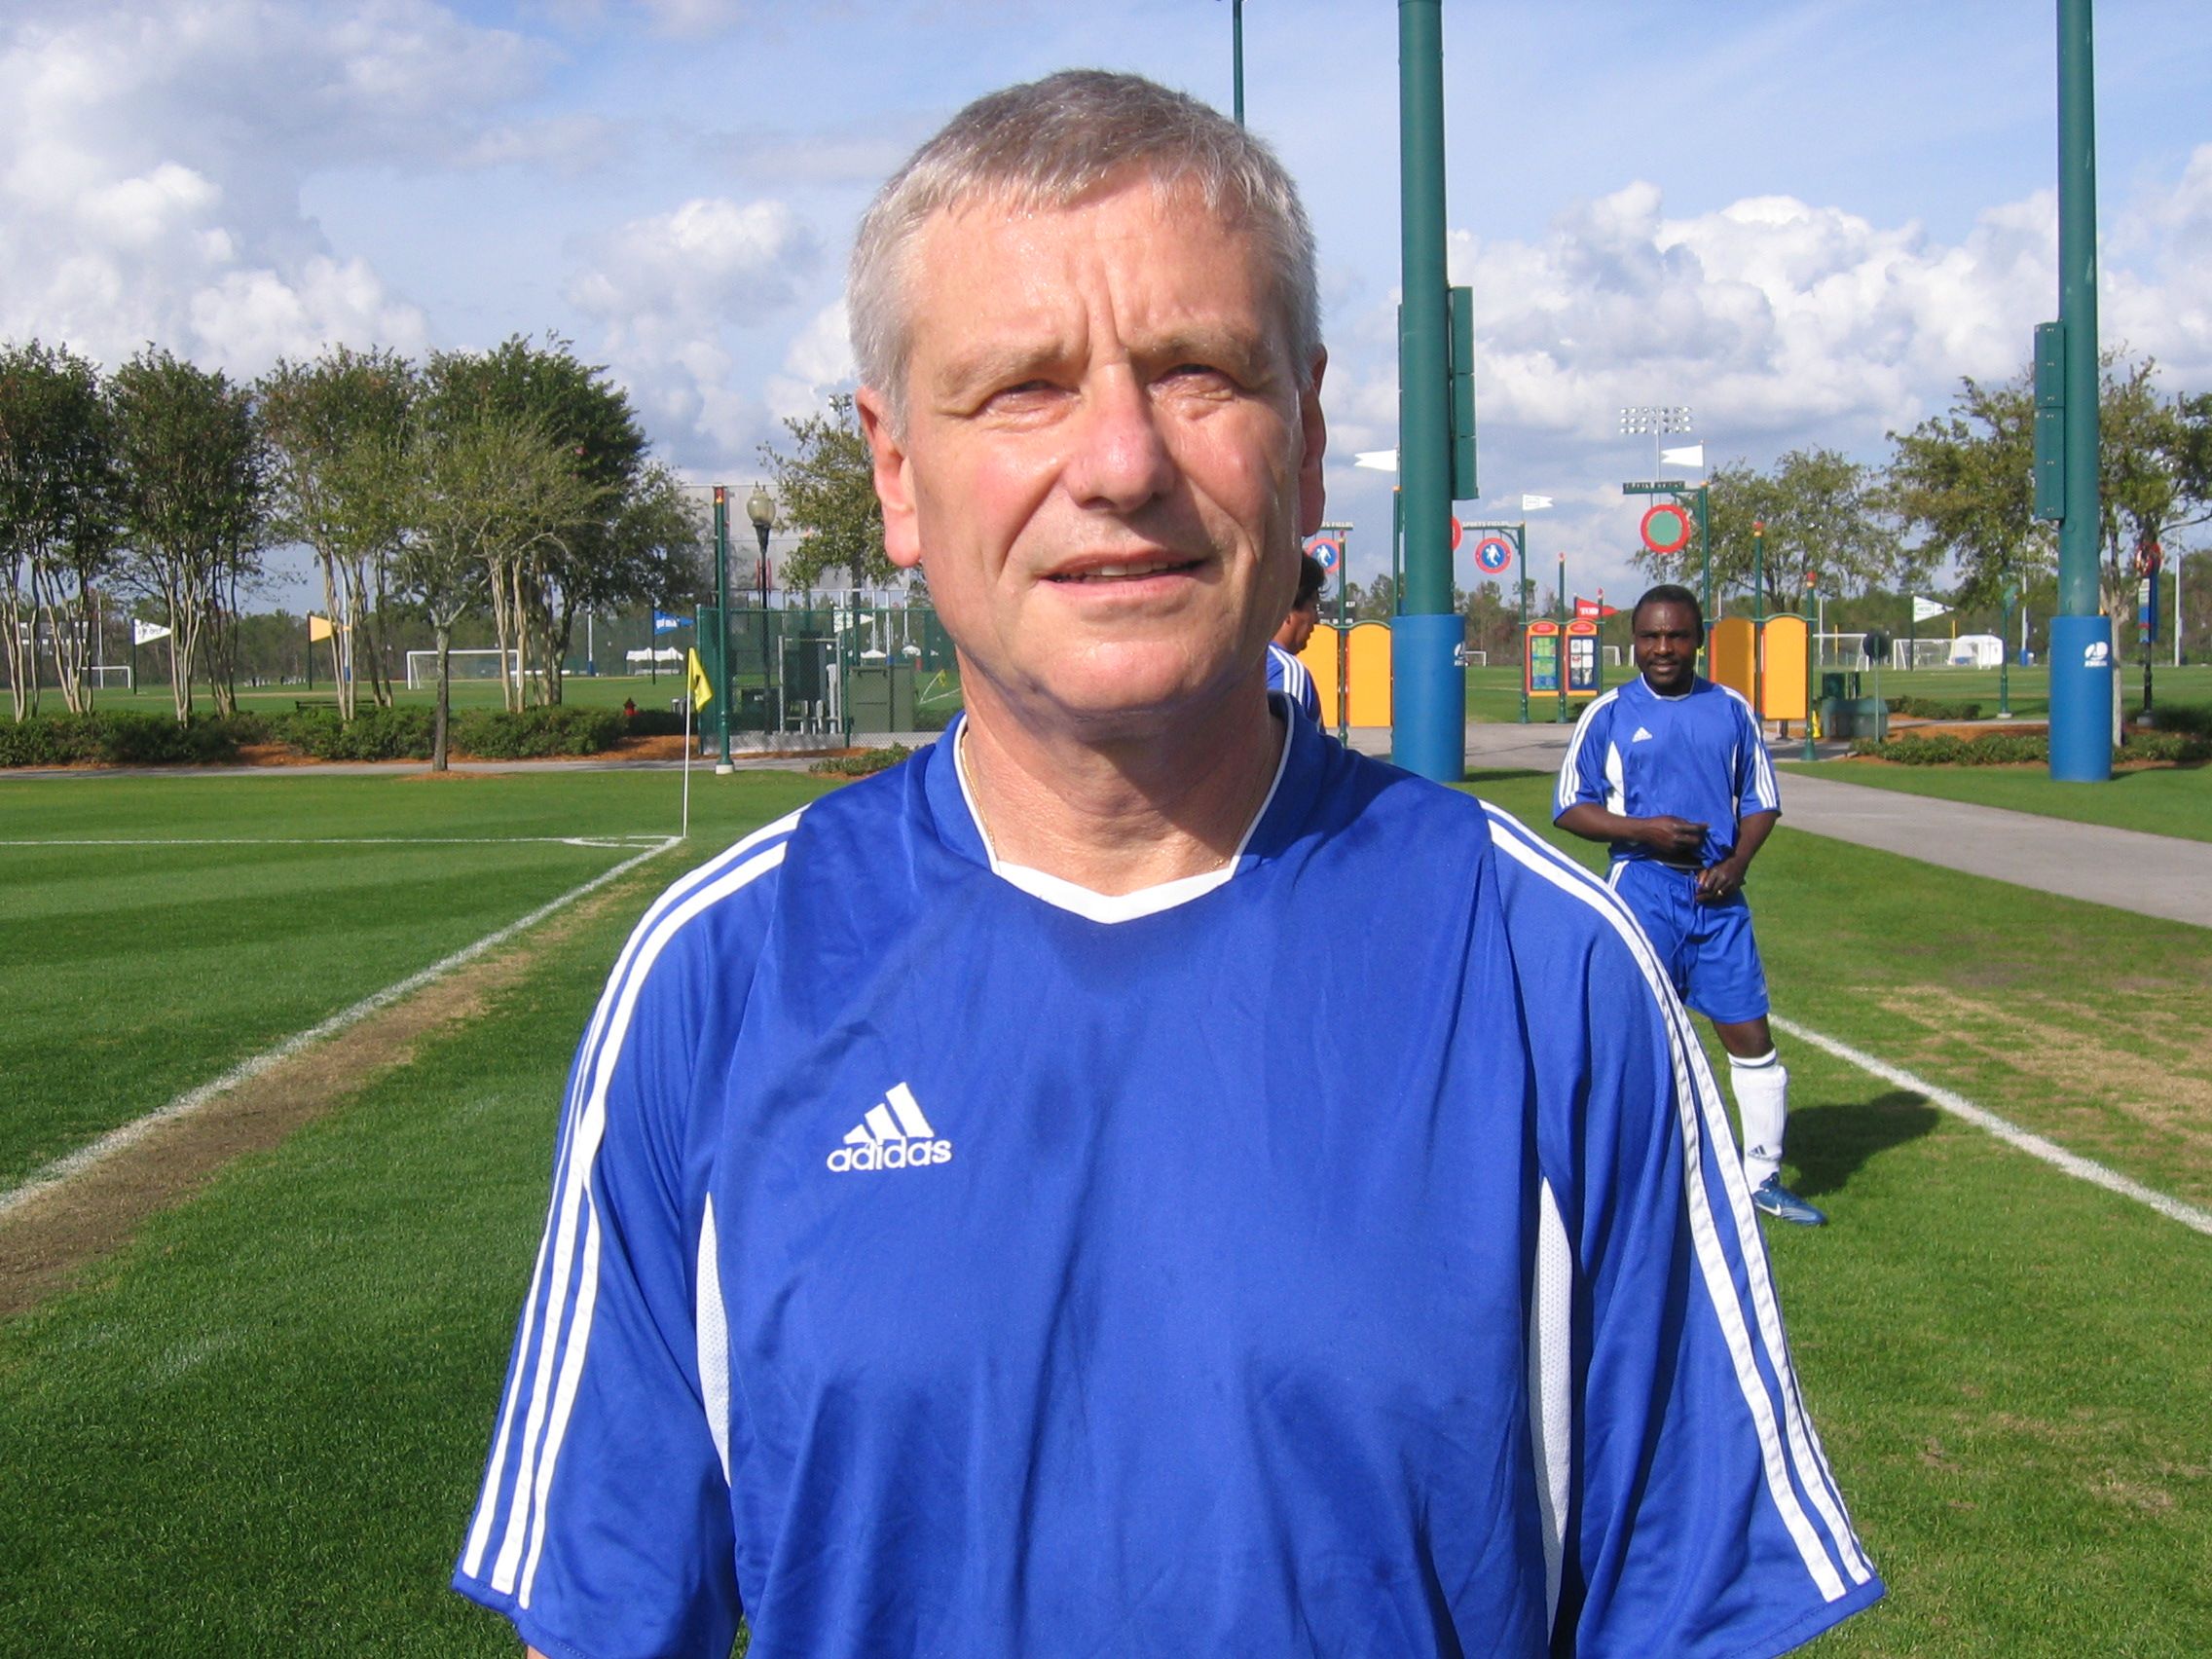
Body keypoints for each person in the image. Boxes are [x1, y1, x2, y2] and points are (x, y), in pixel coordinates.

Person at [455, 72, 1878, 1658]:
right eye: (1023, 387)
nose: (1122, 461)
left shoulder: (1548, 974)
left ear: (1308, 442)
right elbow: (603, 1614)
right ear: (897, 470)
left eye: (1198, 372)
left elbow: (1684, 1613)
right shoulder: (717, 981)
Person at [1554, 584, 1825, 1227]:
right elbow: (1569, 806)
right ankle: (1632, 1179)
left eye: (1676, 635)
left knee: (1750, 1036)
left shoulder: (1730, 709)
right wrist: (1643, 830)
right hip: (1641, 891)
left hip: (1718, 898)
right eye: (1650, 636)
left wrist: (1736, 865)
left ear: (1698, 640)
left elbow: (1761, 801)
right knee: (1632, 1039)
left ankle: (1762, 1177)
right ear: (1634, 642)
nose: (1663, 648)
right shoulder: (1609, 714)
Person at [1265, 550, 1324, 720]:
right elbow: (1289, 736)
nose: (1316, 620)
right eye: (1313, 607)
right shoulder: (1286, 670)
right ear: (1285, 606)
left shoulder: (1239, 664)